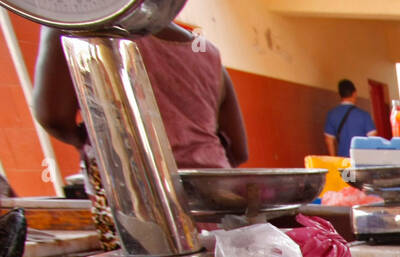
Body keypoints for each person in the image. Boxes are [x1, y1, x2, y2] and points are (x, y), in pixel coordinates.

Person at [34, 21, 248, 169]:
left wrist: (93, 140)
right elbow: (238, 151)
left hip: (136, 197)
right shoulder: (205, 51)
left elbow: (53, 116)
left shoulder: (77, 27)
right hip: (213, 197)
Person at [325, 80, 376, 159]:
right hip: (362, 161)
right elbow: (372, 138)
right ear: (354, 93)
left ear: (340, 95)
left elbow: (329, 140)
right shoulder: (364, 115)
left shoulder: (332, 115)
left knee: (345, 172)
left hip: (344, 163)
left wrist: (335, 160)